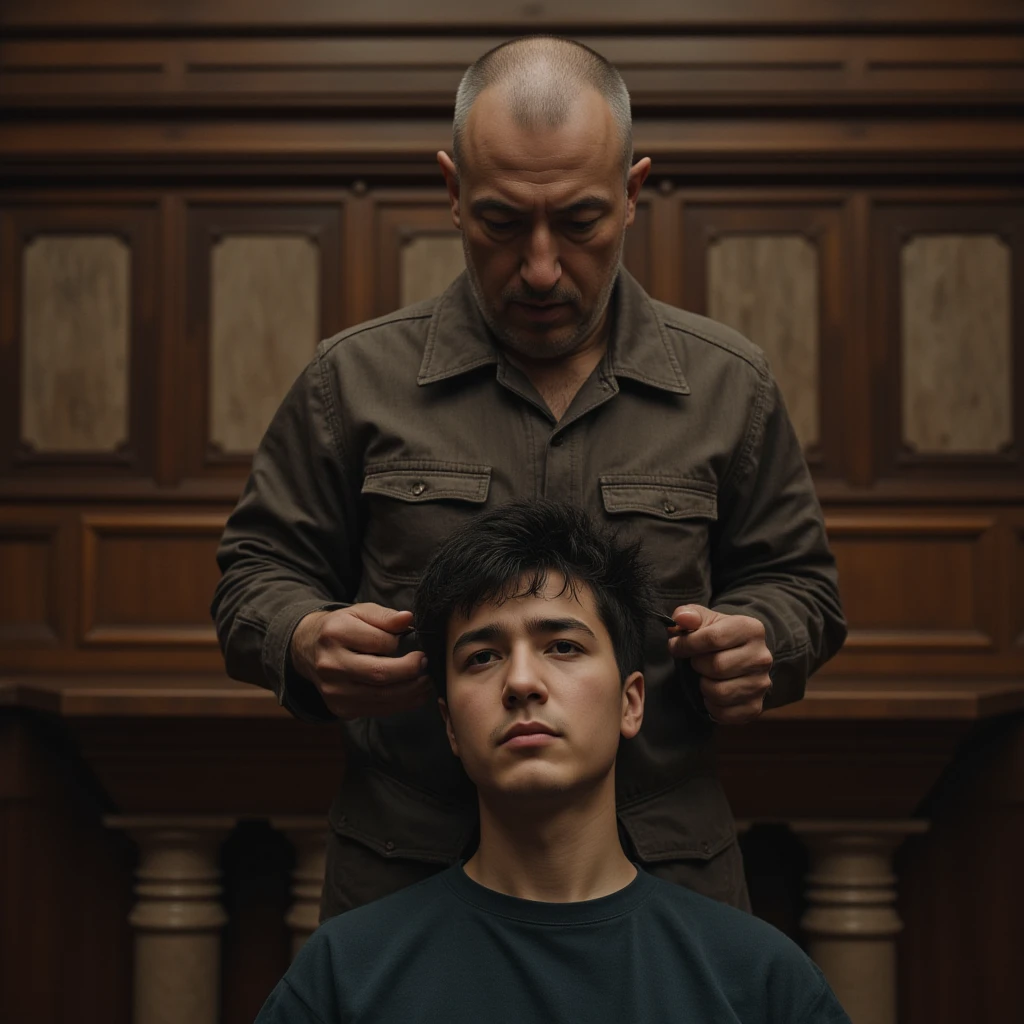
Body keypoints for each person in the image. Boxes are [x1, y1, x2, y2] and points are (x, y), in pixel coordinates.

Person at [212, 35, 846, 918]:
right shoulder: (350, 382)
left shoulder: (728, 385)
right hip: (409, 875)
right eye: (502, 223)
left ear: (633, 194)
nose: (541, 268)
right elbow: (254, 576)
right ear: (452, 192)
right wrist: (301, 638)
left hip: (663, 876)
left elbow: (803, 587)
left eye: (580, 223)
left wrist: (764, 639)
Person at [253, 500, 851, 1024]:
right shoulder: (344, 974)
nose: (521, 681)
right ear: (450, 725)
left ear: (630, 702)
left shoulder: (757, 978)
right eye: (483, 657)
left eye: (563, 647)